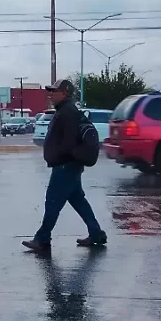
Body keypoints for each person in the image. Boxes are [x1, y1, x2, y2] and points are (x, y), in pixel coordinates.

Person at [23, 79, 107, 252]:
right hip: (68, 165)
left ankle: (42, 238)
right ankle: (96, 233)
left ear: (65, 93)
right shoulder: (64, 110)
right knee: (78, 200)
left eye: (54, 91)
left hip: (65, 166)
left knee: (52, 202)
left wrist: (58, 156)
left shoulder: (67, 112)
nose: (50, 94)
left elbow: (68, 142)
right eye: (50, 91)